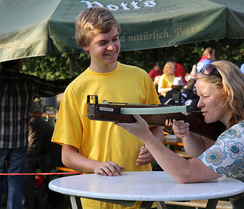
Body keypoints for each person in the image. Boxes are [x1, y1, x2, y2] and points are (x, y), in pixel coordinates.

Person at [116, 61, 244, 208]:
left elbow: (186, 173)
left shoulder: (243, 134)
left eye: (205, 96)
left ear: (228, 94)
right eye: (198, 96)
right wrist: (187, 133)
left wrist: (146, 137)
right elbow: (201, 154)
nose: (199, 104)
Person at [51, 7, 163, 209]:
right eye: (103, 42)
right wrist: (96, 165)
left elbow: (157, 128)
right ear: (85, 45)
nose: (112, 47)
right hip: (98, 198)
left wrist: (154, 149)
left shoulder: (141, 78)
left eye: (115, 39)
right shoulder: (75, 90)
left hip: (144, 193)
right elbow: (67, 156)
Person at [0, 59, 73, 209]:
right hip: (19, 141)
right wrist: (79, 78)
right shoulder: (29, 81)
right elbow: (54, 87)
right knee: (15, 179)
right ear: (18, 63)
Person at [22, 110, 63, 209]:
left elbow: (32, 150)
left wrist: (16, 157)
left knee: (24, 164)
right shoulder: (30, 122)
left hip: (53, 157)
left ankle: (28, 203)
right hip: (46, 154)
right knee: (14, 162)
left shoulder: (34, 123)